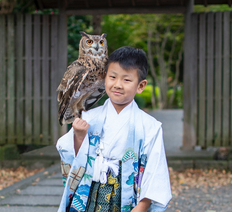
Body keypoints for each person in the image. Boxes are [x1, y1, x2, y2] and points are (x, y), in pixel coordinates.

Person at [56, 46, 172, 212]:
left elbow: (155, 171)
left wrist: (142, 207)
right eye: (112, 77)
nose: (118, 85)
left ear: (140, 86)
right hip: (90, 194)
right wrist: (79, 136)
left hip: (128, 198)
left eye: (126, 80)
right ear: (105, 79)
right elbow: (69, 154)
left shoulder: (150, 126)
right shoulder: (89, 117)